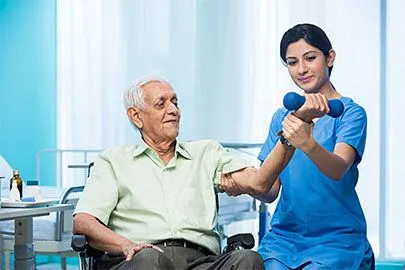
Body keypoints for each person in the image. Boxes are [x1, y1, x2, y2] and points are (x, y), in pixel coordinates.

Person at [73, 75, 320, 269]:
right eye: (162, 104)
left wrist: (290, 136)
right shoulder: (114, 161)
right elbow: (84, 221)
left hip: (200, 261)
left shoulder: (206, 153)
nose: (174, 110)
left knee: (248, 260)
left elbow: (260, 184)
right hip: (140, 260)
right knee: (149, 261)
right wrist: (127, 246)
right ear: (136, 116)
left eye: (175, 102)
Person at [255, 23, 374, 269]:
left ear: (329, 58)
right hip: (285, 237)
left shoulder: (351, 114)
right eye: (292, 62)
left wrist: (308, 144)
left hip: (337, 237)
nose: (302, 69)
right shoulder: (281, 118)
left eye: (310, 58)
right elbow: (269, 191)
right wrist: (245, 182)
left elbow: (338, 168)